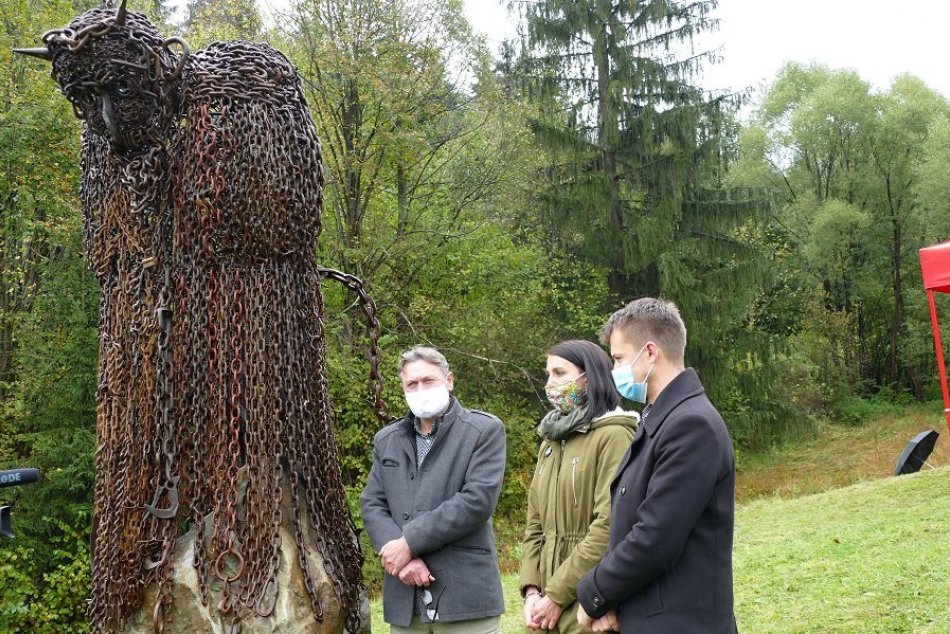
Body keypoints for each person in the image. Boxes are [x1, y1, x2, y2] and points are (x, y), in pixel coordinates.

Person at [576, 298, 738, 633]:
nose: (614, 369)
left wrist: (593, 593)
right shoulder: (660, 418)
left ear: (650, 352)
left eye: (619, 358)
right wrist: (611, 600)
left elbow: (655, 538)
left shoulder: (691, 425)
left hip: (682, 623)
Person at [361, 346, 507, 633]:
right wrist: (401, 559)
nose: (420, 389)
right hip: (405, 600)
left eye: (428, 380)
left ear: (449, 380)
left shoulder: (483, 430)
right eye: (411, 384)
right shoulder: (387, 439)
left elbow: (476, 502)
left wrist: (409, 543)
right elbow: (373, 503)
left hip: (464, 598)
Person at [519, 340, 639, 633]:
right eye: (548, 375)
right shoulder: (551, 440)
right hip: (544, 607)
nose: (550, 384)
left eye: (560, 373)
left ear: (590, 377)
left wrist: (558, 594)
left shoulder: (613, 436)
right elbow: (535, 525)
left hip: (589, 603)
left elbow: (609, 525)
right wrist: (532, 590)